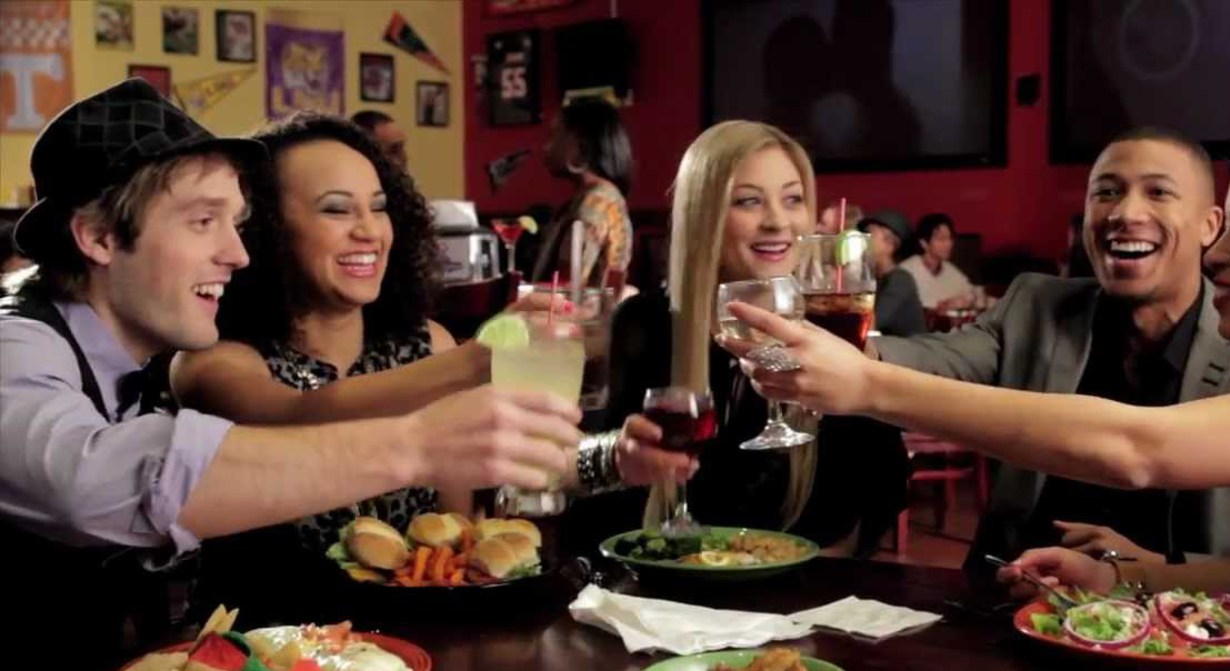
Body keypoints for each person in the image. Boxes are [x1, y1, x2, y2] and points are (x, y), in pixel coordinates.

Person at [0, 80, 581, 671]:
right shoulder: (17, 343)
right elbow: (87, 479)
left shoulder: (128, 355)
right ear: (99, 236)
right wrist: (417, 445)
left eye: (237, 223)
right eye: (202, 221)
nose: (238, 253)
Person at [725, 124, 1230, 661]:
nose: (1216, 258)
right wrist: (1121, 578)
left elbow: (1137, 449)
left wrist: (867, 385)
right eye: (1107, 192)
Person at [169, 113, 688, 620]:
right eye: (337, 210)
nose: (369, 230)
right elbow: (294, 415)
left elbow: (466, 523)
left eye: (379, 207)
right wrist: (473, 361)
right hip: (272, 653)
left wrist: (615, 458)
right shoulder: (213, 363)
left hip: (421, 641)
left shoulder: (426, 344)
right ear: (264, 229)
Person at [840, 129, 1230, 569]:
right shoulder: (1036, 306)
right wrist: (851, 353)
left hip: (1188, 603)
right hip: (1018, 590)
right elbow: (939, 359)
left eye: (1158, 192)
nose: (1125, 212)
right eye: (1107, 192)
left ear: (1210, 225)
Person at [580, 120, 907, 551]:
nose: (778, 221)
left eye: (793, 199)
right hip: (673, 582)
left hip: (804, 585)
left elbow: (882, 490)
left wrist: (864, 376)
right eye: (748, 201)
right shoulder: (646, 322)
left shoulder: (831, 327)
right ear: (704, 216)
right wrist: (617, 458)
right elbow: (602, 496)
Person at [530, 98, 633, 289]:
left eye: (554, 136)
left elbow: (566, 289)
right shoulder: (602, 196)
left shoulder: (595, 203)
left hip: (580, 309)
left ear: (579, 144)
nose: (546, 147)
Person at [860, 209, 926, 337]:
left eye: (869, 235)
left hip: (909, 349)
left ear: (889, 245)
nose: (863, 240)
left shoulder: (901, 280)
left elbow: (869, 324)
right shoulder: (873, 277)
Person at [899, 213, 977, 311]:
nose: (948, 244)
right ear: (924, 243)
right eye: (941, 239)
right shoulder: (905, 271)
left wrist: (963, 302)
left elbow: (971, 293)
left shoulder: (950, 270)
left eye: (950, 238)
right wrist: (939, 308)